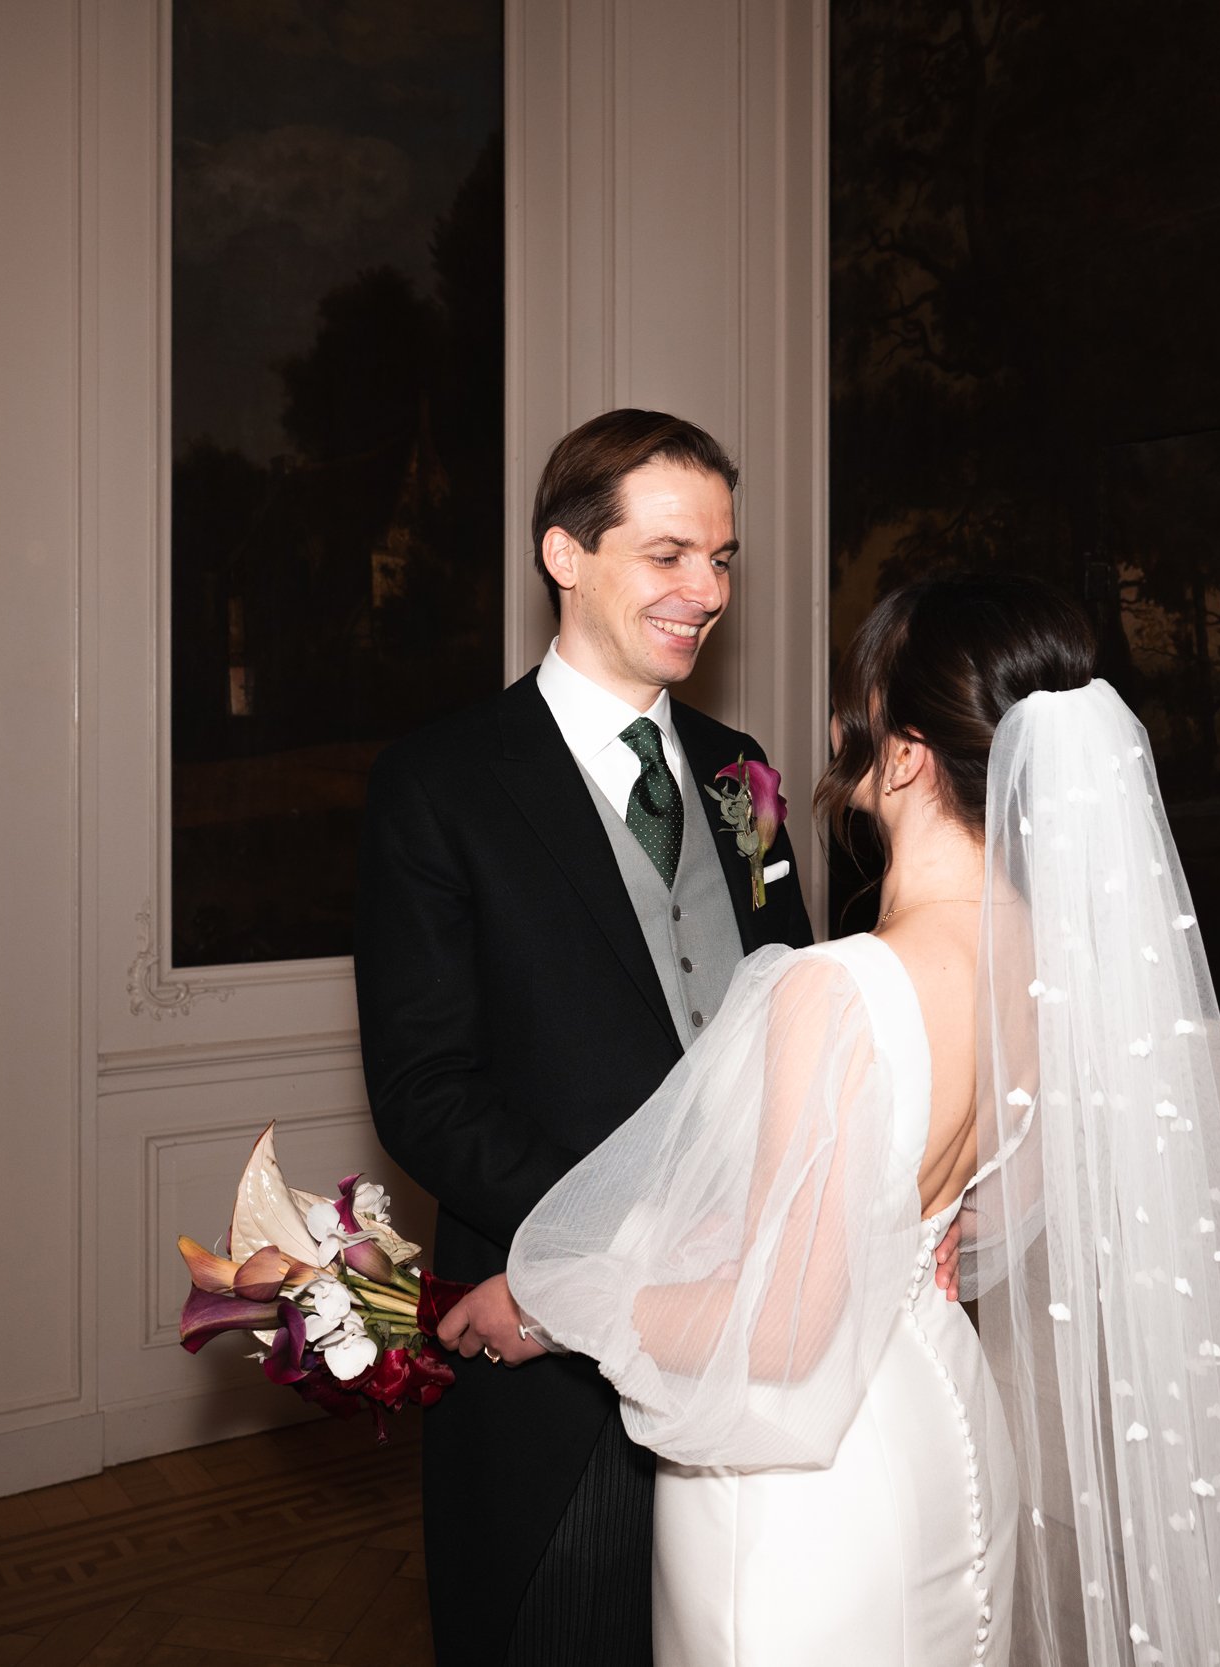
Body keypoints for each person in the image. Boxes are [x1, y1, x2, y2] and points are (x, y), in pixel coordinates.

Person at [499, 574, 1220, 1667]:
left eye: (862, 702)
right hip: (942, 1424)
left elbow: (786, 1328)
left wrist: (557, 1300)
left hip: (807, 1487)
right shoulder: (1051, 963)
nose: (843, 728)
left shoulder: (837, 988)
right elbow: (961, 1224)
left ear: (910, 750)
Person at [354, 409, 814, 1667]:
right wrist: (605, 1259)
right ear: (565, 554)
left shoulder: (739, 774)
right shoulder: (439, 781)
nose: (705, 590)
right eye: (668, 554)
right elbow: (423, 1088)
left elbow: (798, 1012)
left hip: (753, 1338)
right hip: (552, 1358)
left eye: (722, 559)